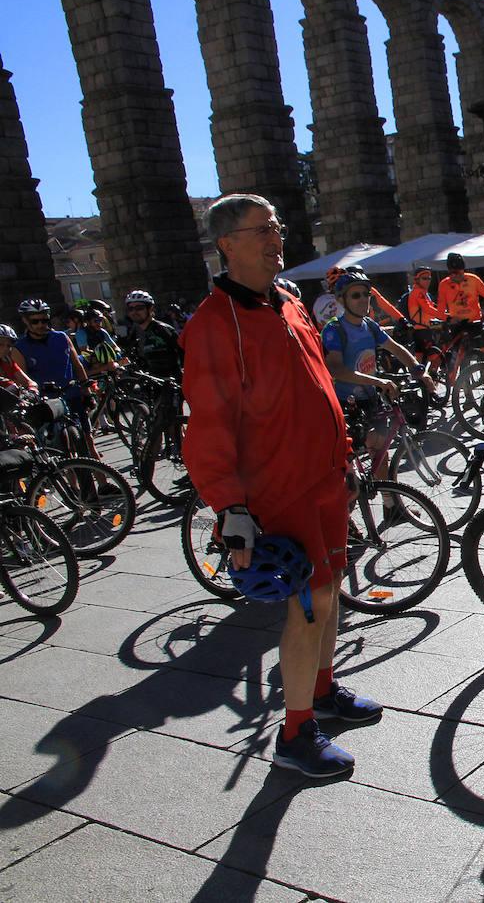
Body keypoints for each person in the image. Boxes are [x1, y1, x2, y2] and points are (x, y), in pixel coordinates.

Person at [182, 193, 382, 779]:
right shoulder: (214, 325)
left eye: (278, 226)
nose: (277, 239)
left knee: (332, 586)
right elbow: (210, 424)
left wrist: (343, 457)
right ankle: (295, 734)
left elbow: (318, 384)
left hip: (322, 477)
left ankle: (321, 691)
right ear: (227, 245)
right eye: (263, 230)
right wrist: (232, 508)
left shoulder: (289, 304)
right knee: (311, 600)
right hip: (277, 489)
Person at [321, 271, 433, 483]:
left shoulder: (369, 325)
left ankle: (390, 503)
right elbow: (336, 369)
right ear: (341, 300)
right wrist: (378, 381)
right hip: (345, 402)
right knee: (349, 464)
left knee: (381, 451)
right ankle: (351, 508)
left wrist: (419, 370)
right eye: (356, 295)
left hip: (371, 397)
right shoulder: (334, 329)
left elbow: (396, 348)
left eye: (366, 294)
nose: (363, 299)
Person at [12, 298, 100, 460]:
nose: (40, 324)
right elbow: (22, 379)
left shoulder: (61, 338)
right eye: (35, 321)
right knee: (63, 453)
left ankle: (103, 485)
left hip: (72, 395)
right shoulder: (20, 348)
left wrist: (87, 392)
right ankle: (72, 485)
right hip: (46, 404)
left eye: (44, 319)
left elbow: (77, 366)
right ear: (25, 320)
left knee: (89, 443)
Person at [120, 290, 181, 380]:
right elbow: (131, 355)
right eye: (131, 309)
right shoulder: (134, 333)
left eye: (139, 308)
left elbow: (183, 353)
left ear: (150, 309)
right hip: (151, 384)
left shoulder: (163, 329)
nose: (134, 312)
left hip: (172, 382)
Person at [436, 252, 484, 328]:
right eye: (453, 273)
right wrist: (449, 319)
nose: (457, 276)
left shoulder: (473, 279)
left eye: (460, 273)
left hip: (475, 322)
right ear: (449, 272)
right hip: (456, 325)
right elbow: (440, 310)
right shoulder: (444, 284)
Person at [73, 307, 123, 375]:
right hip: (89, 360)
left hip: (103, 358)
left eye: (100, 320)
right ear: (88, 322)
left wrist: (117, 352)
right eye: (96, 321)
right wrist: (100, 355)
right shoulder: (81, 333)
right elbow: (84, 351)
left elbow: (114, 346)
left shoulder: (102, 331)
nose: (99, 323)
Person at [404, 265, 441, 350]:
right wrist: (445, 315)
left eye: (429, 278)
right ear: (417, 280)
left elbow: (431, 306)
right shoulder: (418, 293)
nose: (428, 281)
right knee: (435, 358)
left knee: (423, 358)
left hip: (424, 328)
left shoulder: (424, 292)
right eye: (424, 278)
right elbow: (427, 308)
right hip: (422, 330)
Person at [0, 324, 37, 393]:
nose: (5, 348)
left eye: (8, 345)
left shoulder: (8, 361)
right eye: (1, 344)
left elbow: (29, 382)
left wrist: (32, 389)